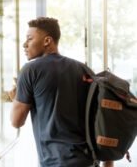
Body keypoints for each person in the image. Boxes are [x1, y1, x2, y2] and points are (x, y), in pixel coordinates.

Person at [9, 17, 113, 167]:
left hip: (56, 162)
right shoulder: (84, 70)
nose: (25, 44)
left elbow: (16, 121)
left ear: (47, 41)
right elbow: (101, 117)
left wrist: (15, 99)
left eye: (29, 39)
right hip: (89, 160)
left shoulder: (30, 70)